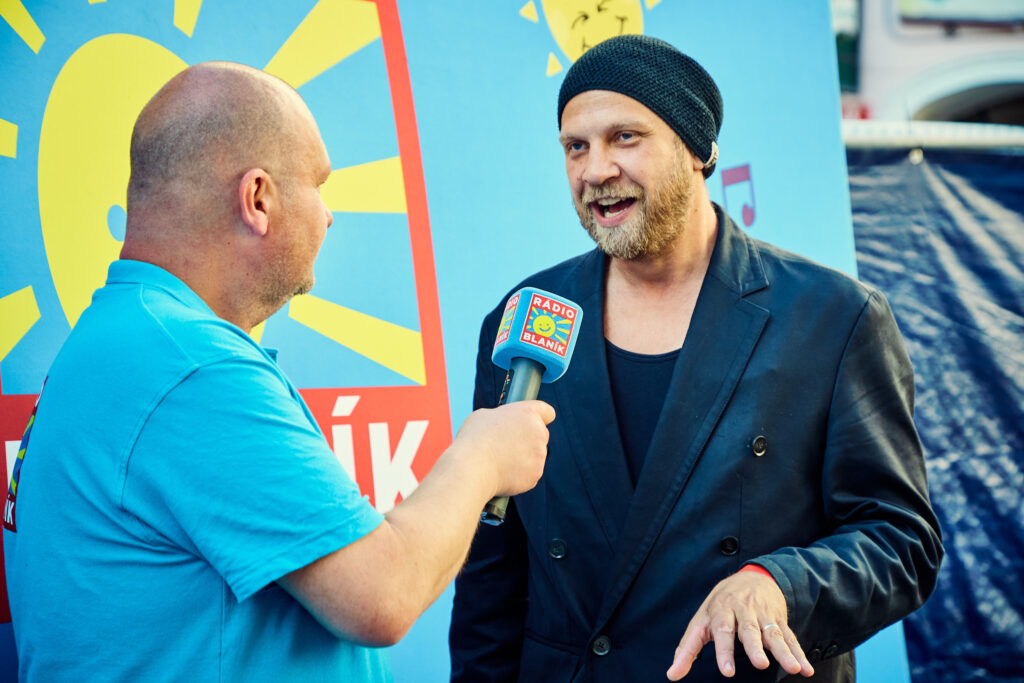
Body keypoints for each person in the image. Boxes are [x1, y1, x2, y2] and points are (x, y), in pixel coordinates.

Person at [2, 62, 555, 682]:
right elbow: (383, 593)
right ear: (259, 198)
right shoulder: (192, 369)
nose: (329, 216)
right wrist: (482, 456)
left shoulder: (121, 340)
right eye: (319, 185)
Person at [449, 35, 943, 682]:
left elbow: (900, 541)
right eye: (576, 146)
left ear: (698, 150)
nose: (595, 170)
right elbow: (492, 576)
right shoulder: (527, 317)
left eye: (625, 137)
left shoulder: (833, 318)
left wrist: (781, 582)